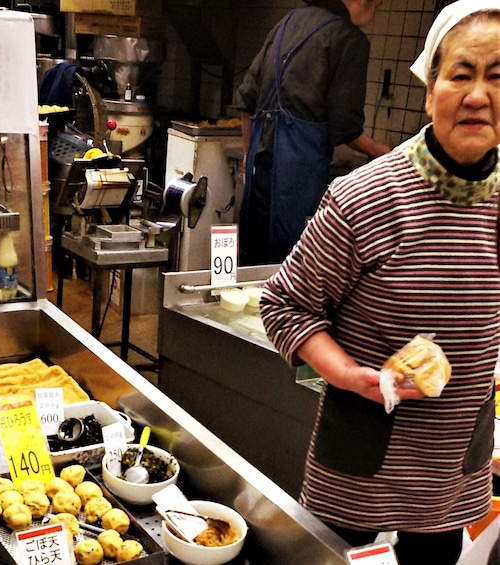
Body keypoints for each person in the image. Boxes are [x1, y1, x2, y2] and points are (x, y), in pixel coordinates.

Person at [258, 1, 500, 563]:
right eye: (461, 74)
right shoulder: (366, 198)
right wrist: (347, 375)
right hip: (362, 450)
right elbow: (285, 305)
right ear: (429, 85)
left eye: (498, 77)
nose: (478, 95)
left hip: (453, 461)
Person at [233, 0, 391, 266]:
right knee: (292, 263)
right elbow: (346, 128)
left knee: (253, 262)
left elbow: (246, 101)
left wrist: (248, 157)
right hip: (297, 179)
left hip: (259, 170)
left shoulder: (286, 23)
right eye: (375, 5)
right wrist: (382, 151)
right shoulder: (349, 39)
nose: (373, 13)